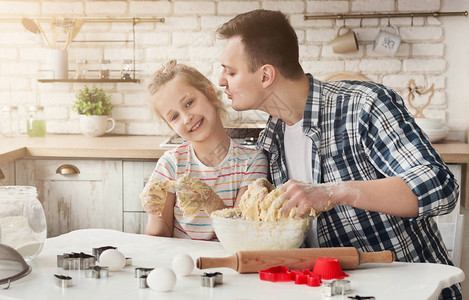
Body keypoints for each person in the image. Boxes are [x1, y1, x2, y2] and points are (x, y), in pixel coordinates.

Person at [217, 9, 461, 299]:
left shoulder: (363, 106)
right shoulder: (272, 137)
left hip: (409, 290)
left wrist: (335, 192)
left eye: (230, 72)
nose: (221, 81)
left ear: (266, 75)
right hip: (335, 291)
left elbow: (440, 187)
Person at [141, 61, 268, 241]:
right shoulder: (170, 164)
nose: (186, 118)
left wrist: (210, 201)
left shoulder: (252, 162)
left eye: (189, 103)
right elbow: (158, 237)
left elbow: (241, 234)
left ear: (210, 94)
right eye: (174, 117)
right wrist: (155, 211)